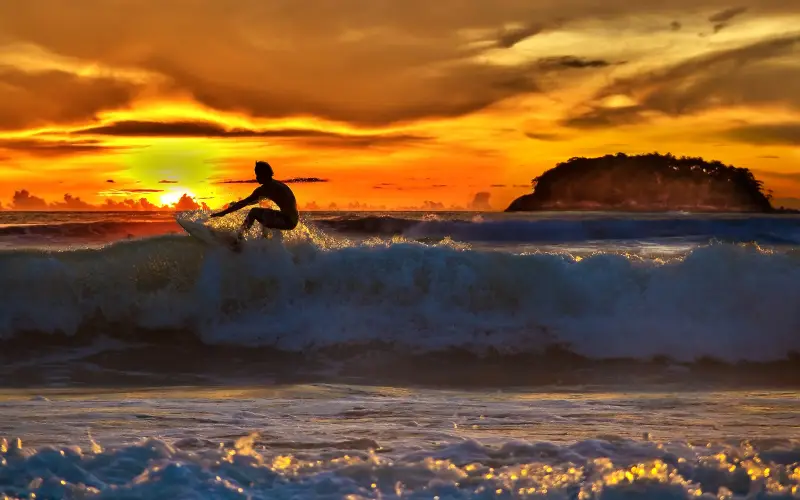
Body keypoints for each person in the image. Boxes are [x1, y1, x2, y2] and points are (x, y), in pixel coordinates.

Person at [210, 161, 299, 244]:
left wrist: (224, 212)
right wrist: (236, 205)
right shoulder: (275, 184)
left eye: (258, 175)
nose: (256, 177)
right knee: (265, 212)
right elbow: (251, 201)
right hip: (292, 219)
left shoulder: (266, 188)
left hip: (287, 220)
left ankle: (239, 238)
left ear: (264, 175)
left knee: (254, 212)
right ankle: (265, 241)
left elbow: (246, 202)